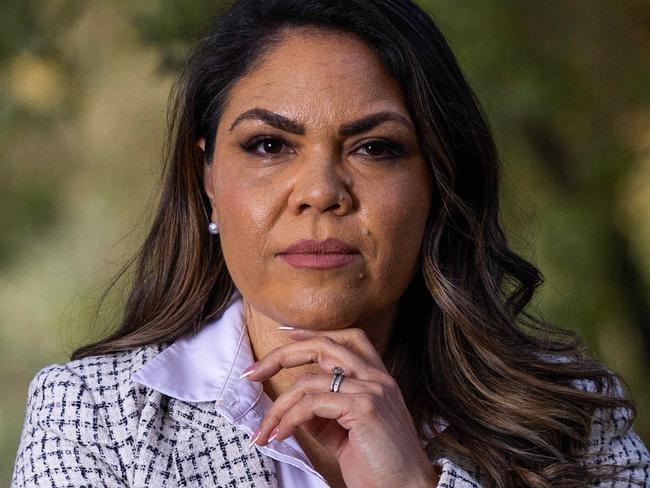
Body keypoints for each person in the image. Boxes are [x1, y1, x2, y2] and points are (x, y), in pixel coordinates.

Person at [11, 0, 650, 486]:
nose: (320, 191)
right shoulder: (92, 417)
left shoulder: (573, 424)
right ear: (205, 178)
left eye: (375, 148)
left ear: (438, 181)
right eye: (269, 145)